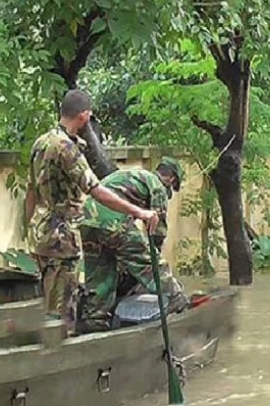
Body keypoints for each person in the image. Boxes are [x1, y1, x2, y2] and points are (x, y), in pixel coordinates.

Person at [25, 89, 160, 338]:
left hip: (39, 233)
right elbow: (96, 190)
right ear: (84, 116)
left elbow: (31, 192)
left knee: (49, 303)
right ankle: (60, 362)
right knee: (63, 311)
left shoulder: (40, 142)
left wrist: (28, 230)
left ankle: (46, 351)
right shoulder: (67, 148)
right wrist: (139, 211)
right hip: (62, 238)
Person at [76, 157, 187, 333]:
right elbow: (157, 231)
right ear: (172, 179)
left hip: (88, 221)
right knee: (149, 263)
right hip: (113, 221)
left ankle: (95, 320)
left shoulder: (132, 174)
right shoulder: (157, 185)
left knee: (100, 273)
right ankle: (175, 297)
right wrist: (149, 265)